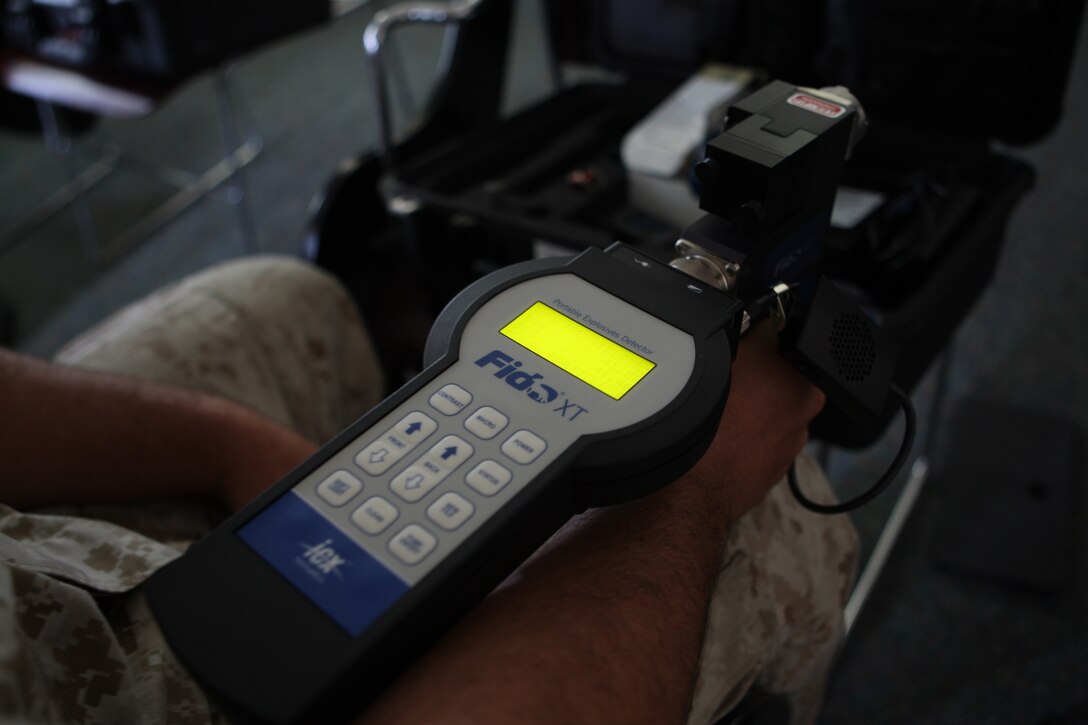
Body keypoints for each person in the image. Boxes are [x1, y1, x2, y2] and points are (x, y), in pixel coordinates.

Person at [0, 255, 857, 724]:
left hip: (31, 558)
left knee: (283, 292)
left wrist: (225, 442)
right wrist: (698, 476)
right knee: (784, 506)